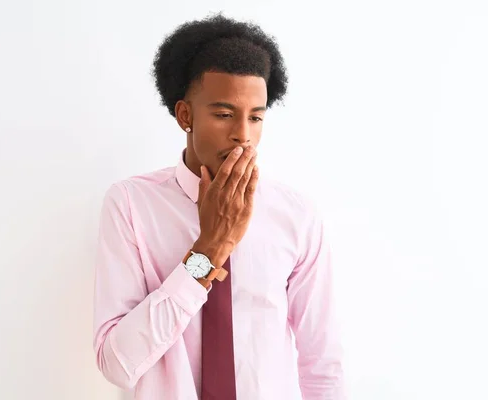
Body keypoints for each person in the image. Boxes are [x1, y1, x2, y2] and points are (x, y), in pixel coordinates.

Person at [93, 13, 346, 400]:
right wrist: (208, 250)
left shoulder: (297, 216)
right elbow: (118, 363)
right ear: (185, 115)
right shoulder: (131, 205)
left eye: (256, 117)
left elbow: (322, 362)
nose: (243, 135)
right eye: (224, 114)